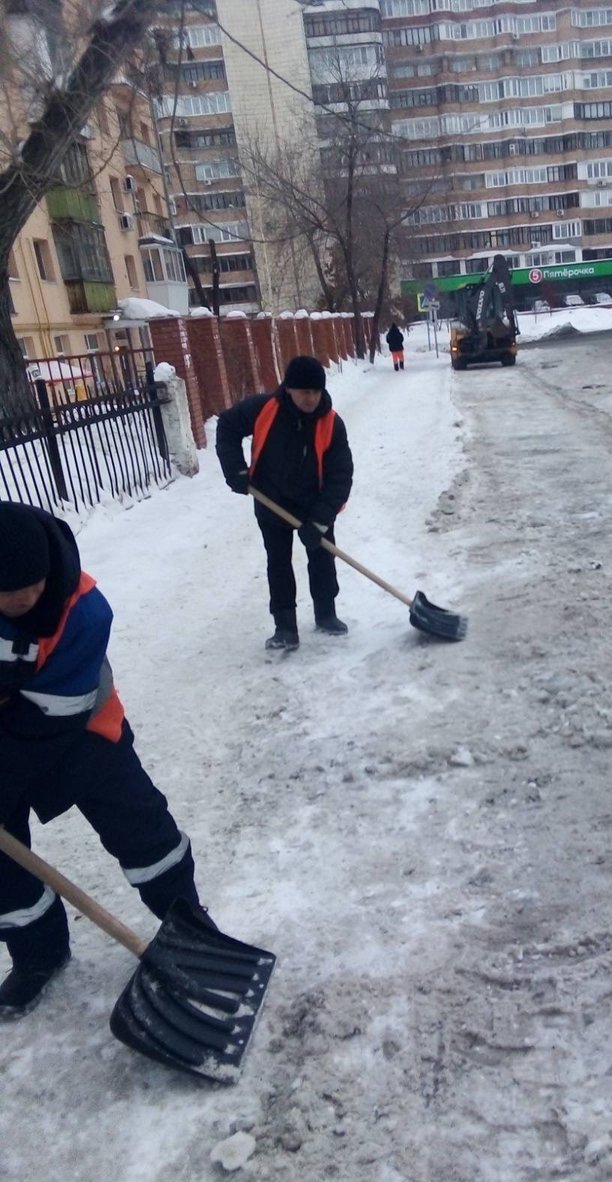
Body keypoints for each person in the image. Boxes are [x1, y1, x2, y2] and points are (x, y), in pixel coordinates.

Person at [0, 502, 203, 1016]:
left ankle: (189, 924)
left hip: (83, 729)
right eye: (6, 593)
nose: (22, 599)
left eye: (32, 586)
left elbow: (55, 716)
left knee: (142, 827)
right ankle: (38, 956)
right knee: (3, 867)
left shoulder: (84, 608)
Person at [216, 354, 354, 650]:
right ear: (289, 389)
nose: (311, 398)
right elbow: (226, 427)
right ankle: (285, 626)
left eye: (316, 392)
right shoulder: (264, 408)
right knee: (278, 562)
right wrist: (236, 471)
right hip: (271, 499)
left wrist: (320, 519)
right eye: (305, 392)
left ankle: (326, 613)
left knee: (322, 557)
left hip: (314, 503)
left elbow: (341, 476)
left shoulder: (331, 423)